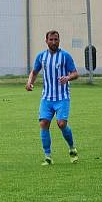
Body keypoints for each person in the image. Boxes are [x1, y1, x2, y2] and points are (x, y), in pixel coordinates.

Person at [25, 30, 79, 166]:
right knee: (43, 123)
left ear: (59, 41)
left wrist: (67, 77)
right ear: (46, 41)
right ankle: (48, 156)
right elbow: (34, 72)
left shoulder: (65, 56)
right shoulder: (41, 57)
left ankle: (72, 148)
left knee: (61, 124)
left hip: (62, 97)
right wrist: (29, 82)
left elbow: (75, 73)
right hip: (47, 98)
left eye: (56, 40)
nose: (54, 42)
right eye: (51, 40)